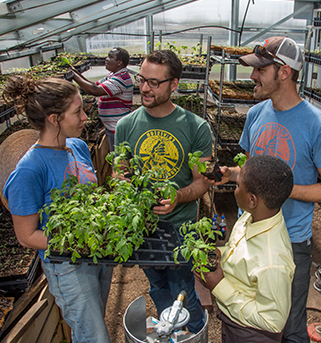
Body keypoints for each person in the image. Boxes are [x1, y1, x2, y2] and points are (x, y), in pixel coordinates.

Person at [210, 36, 321, 342]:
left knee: (290, 325)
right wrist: (232, 175)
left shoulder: (319, 126)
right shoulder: (256, 115)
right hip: (247, 231)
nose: (253, 76)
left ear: (283, 72)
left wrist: (279, 189)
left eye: (260, 69)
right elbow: (253, 173)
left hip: (290, 241)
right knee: (246, 308)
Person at [2, 76, 113, 343]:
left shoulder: (76, 147)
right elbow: (27, 236)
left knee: (93, 324)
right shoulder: (29, 170)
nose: (86, 117)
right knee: (93, 337)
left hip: (97, 254)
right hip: (68, 267)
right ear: (54, 119)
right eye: (77, 111)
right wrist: (79, 241)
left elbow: (90, 195)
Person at [114, 49, 213, 334]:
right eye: (142, 79)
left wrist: (177, 197)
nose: (144, 87)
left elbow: (202, 181)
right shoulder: (125, 126)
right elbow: (120, 174)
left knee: (183, 288)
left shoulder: (196, 128)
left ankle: (192, 333)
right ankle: (170, 331)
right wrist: (129, 190)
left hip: (179, 228)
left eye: (154, 82)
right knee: (157, 285)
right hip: (141, 229)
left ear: (174, 84)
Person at [197, 155, 295, 342]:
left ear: (252, 200)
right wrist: (221, 253)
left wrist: (219, 286)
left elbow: (272, 321)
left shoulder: (273, 262)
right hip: (235, 318)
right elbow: (240, 250)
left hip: (250, 332)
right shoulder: (254, 216)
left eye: (237, 185)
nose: (234, 190)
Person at [71, 47, 133, 151]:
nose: (106, 59)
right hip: (111, 127)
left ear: (119, 62)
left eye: (110, 57)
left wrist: (73, 75)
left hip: (117, 129)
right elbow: (93, 85)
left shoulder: (121, 79)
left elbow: (94, 90)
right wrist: (74, 72)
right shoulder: (112, 75)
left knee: (120, 161)